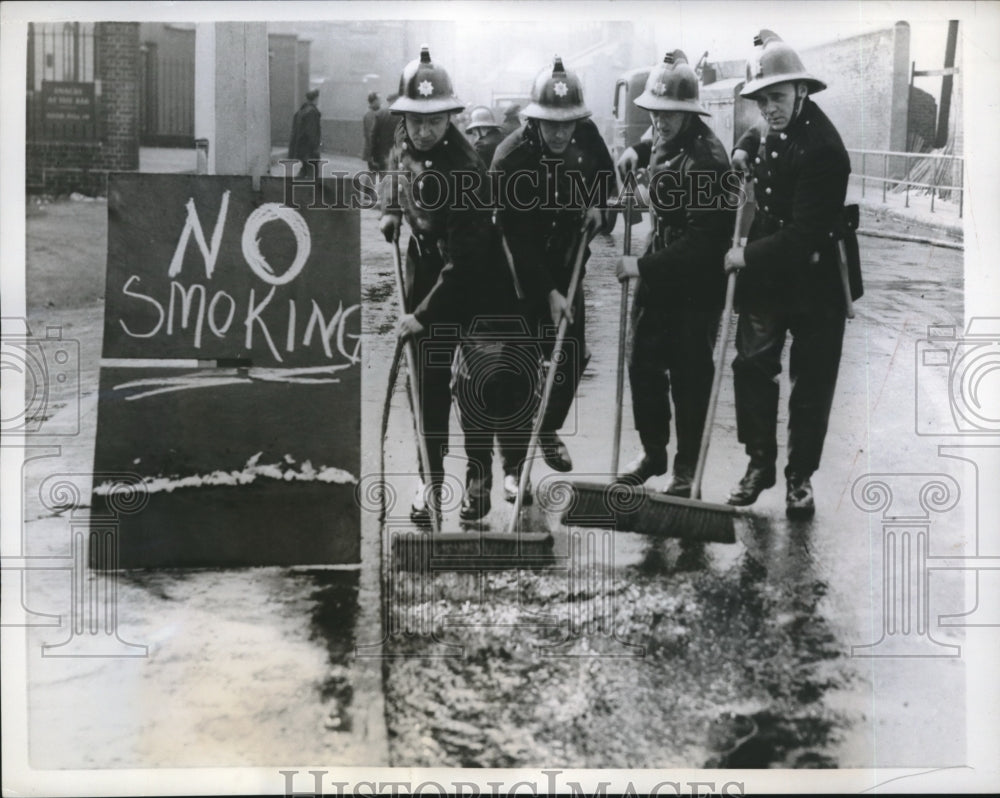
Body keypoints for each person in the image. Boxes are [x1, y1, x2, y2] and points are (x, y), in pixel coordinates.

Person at [379, 46, 528, 525]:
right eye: (415, 120)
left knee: (477, 385)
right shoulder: (404, 138)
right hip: (426, 266)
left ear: (450, 117)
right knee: (426, 383)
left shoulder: (466, 171)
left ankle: (480, 479)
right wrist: (391, 208)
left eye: (435, 121)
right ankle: (430, 478)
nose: (424, 130)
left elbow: (464, 265)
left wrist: (421, 315)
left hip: (475, 280)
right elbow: (394, 165)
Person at [723, 30, 854, 519]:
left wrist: (745, 257)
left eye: (776, 97)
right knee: (751, 363)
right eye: (761, 100)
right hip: (771, 272)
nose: (769, 109)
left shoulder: (825, 150)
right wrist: (742, 144)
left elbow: (802, 237)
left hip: (814, 274)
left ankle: (799, 477)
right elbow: (764, 135)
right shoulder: (773, 124)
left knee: (812, 380)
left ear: (801, 92)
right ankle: (760, 464)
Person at [491, 56, 617, 501]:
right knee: (516, 367)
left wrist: (600, 207)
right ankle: (512, 468)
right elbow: (516, 239)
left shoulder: (586, 135)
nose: (561, 132)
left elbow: (607, 179)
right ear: (535, 120)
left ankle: (545, 428)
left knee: (570, 356)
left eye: (569, 123)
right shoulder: (510, 159)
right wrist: (546, 293)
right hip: (517, 271)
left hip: (567, 259)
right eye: (551, 124)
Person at [613, 51, 734, 496]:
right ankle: (653, 451)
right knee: (641, 359)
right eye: (655, 113)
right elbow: (655, 138)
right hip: (664, 253)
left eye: (670, 115)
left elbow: (704, 245)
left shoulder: (708, 161)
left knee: (689, 372)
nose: (660, 121)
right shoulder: (668, 132)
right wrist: (636, 148)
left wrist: (640, 265)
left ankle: (686, 469)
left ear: (690, 114)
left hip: (696, 277)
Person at [288, 89, 321, 175]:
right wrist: (315, 148)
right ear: (316, 98)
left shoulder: (301, 111)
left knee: (304, 171)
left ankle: (295, 185)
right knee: (312, 174)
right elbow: (311, 132)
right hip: (309, 150)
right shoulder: (312, 112)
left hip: (301, 148)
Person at [370, 93, 399, 174]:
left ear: (389, 102)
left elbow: (373, 137)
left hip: (383, 154)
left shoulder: (380, 114)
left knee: (384, 180)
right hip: (399, 153)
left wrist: (374, 157)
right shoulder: (405, 114)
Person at [362, 91, 381, 171]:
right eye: (379, 100)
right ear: (374, 101)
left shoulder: (372, 113)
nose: (380, 102)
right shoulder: (370, 115)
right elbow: (371, 136)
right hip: (374, 152)